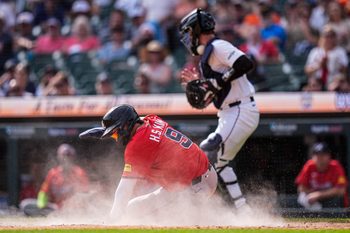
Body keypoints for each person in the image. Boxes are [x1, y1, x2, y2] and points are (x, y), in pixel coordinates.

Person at [179, 8, 260, 210]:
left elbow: (245, 62)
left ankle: (191, 205)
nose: (189, 37)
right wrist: (204, 84)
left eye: (190, 32)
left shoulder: (218, 45)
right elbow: (213, 92)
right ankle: (243, 210)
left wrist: (216, 82)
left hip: (240, 109)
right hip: (229, 112)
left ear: (198, 29)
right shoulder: (208, 55)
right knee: (221, 164)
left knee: (204, 153)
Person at [79, 104, 217, 221]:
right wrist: (106, 131)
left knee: (166, 222)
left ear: (126, 125)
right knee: (134, 209)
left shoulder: (138, 145)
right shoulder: (150, 119)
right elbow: (137, 123)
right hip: (198, 177)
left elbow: (124, 189)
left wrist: (112, 220)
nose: (116, 138)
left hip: (194, 188)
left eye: (115, 133)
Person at [295, 142, 348, 210]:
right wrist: (313, 193)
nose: (320, 158)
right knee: (303, 198)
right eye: (317, 155)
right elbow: (301, 188)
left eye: (323, 155)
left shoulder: (335, 166)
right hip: (314, 204)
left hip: (335, 207)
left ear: (329, 156)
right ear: (312, 156)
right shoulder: (309, 166)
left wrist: (318, 195)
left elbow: (341, 190)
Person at [36, 144, 89, 210]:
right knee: (26, 204)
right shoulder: (53, 173)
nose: (66, 158)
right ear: (59, 157)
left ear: (73, 157)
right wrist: (41, 205)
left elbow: (85, 193)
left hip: (75, 210)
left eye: (68, 156)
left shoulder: (79, 173)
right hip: (56, 209)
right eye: (63, 156)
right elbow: (43, 192)